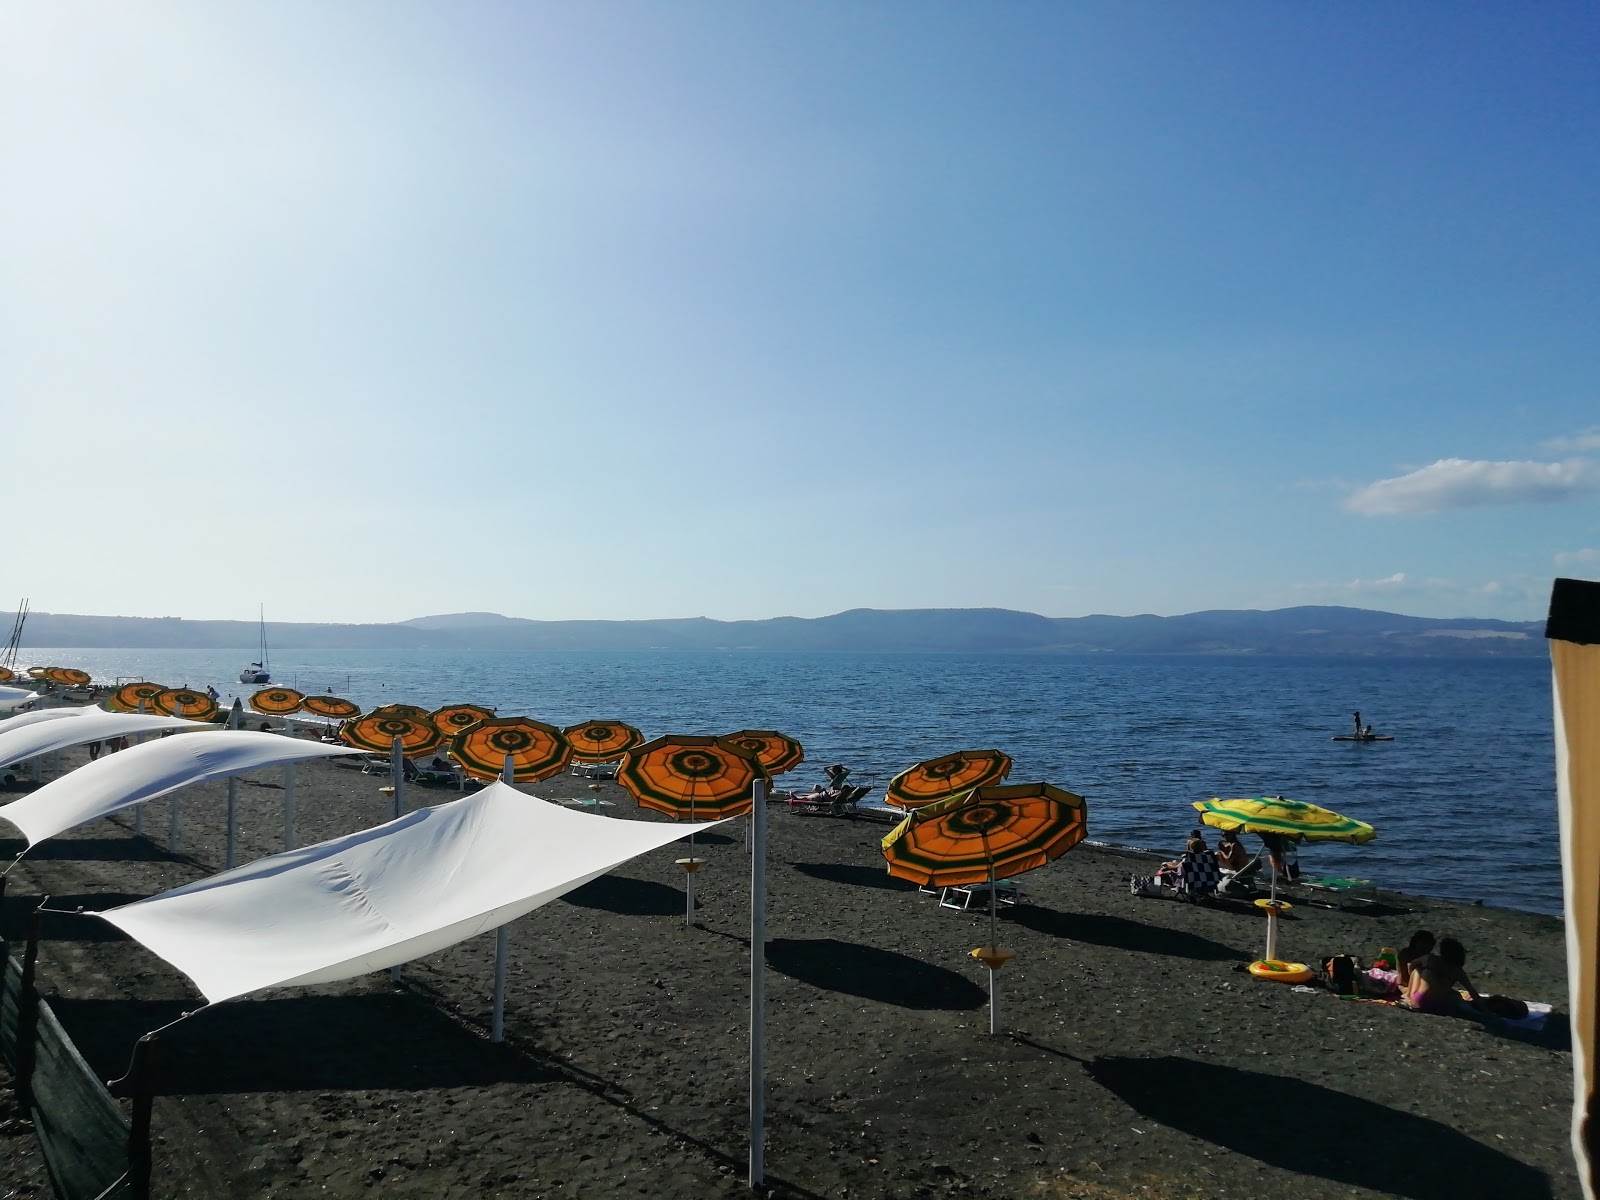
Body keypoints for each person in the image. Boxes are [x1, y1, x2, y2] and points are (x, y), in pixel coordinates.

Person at [1404, 937, 1493, 1022]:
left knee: (1417, 970)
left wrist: (1413, 978)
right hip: (1440, 1006)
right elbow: (1472, 991)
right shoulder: (1458, 970)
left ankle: (1407, 995)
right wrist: (1486, 1011)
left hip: (1420, 1001)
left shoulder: (1429, 959)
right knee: (1454, 993)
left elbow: (1412, 965)